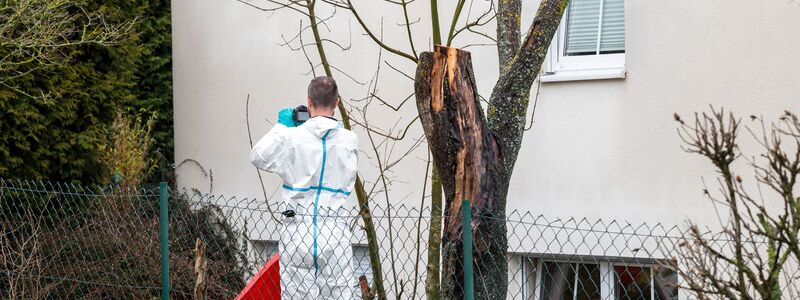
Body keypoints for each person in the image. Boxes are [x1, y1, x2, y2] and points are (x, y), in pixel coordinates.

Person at [250, 76, 357, 299]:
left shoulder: (291, 137)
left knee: (296, 294)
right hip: (335, 230)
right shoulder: (349, 140)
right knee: (339, 293)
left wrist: (282, 127)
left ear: (308, 102)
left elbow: (258, 156)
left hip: (297, 229)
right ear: (337, 102)